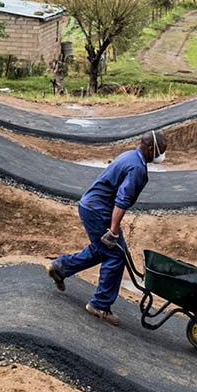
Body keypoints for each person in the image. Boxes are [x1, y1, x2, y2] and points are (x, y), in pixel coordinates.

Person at [48, 130, 168, 325]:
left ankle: (60, 268)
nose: (162, 155)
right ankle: (100, 305)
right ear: (150, 149)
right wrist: (113, 231)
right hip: (98, 211)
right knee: (115, 255)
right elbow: (122, 200)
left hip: (91, 205)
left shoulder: (130, 155)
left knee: (101, 250)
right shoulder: (136, 167)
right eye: (160, 150)